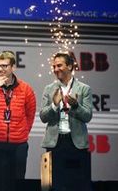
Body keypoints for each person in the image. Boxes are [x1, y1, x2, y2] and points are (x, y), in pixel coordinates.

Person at [39, 52, 93, 189]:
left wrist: (75, 106)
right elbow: (43, 117)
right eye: (54, 66)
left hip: (76, 143)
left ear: (69, 66)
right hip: (55, 144)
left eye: (59, 65)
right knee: (55, 184)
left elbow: (87, 116)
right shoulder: (49, 89)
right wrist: (54, 105)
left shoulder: (84, 89)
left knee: (77, 184)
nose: (56, 69)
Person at [0, 51, 36, 179]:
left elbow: (30, 114)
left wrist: (23, 133)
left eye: (4, 66)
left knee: (18, 181)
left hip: (19, 144)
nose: (0, 69)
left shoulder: (26, 89)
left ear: (13, 67)